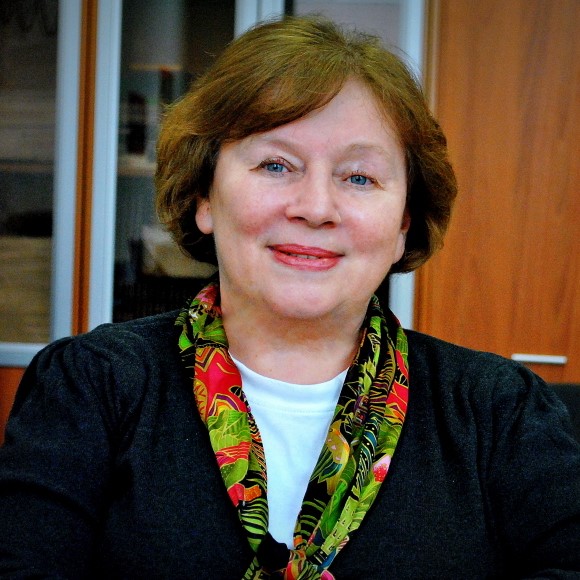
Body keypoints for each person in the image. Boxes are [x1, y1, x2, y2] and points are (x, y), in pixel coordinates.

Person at [0, 16, 579, 579]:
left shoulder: (498, 409)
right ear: (204, 197)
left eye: (359, 177)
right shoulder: (91, 385)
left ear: (404, 221)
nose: (316, 207)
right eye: (276, 165)